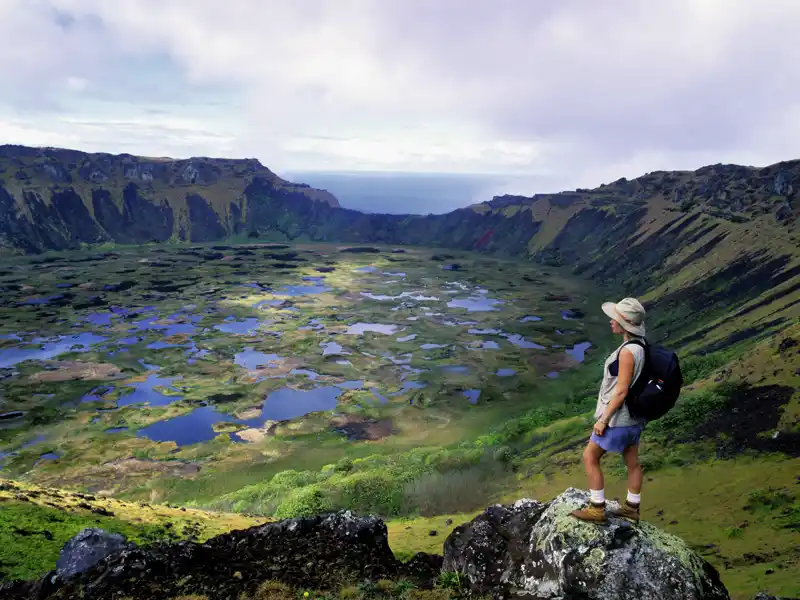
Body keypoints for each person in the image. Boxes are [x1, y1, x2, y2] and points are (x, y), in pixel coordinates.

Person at [570, 297, 647, 524]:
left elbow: (621, 391)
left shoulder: (626, 352)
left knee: (590, 456)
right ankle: (632, 508)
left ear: (625, 324)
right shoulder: (641, 346)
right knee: (632, 461)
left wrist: (603, 420)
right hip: (634, 417)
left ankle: (597, 509)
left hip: (618, 418)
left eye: (614, 319)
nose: (611, 322)